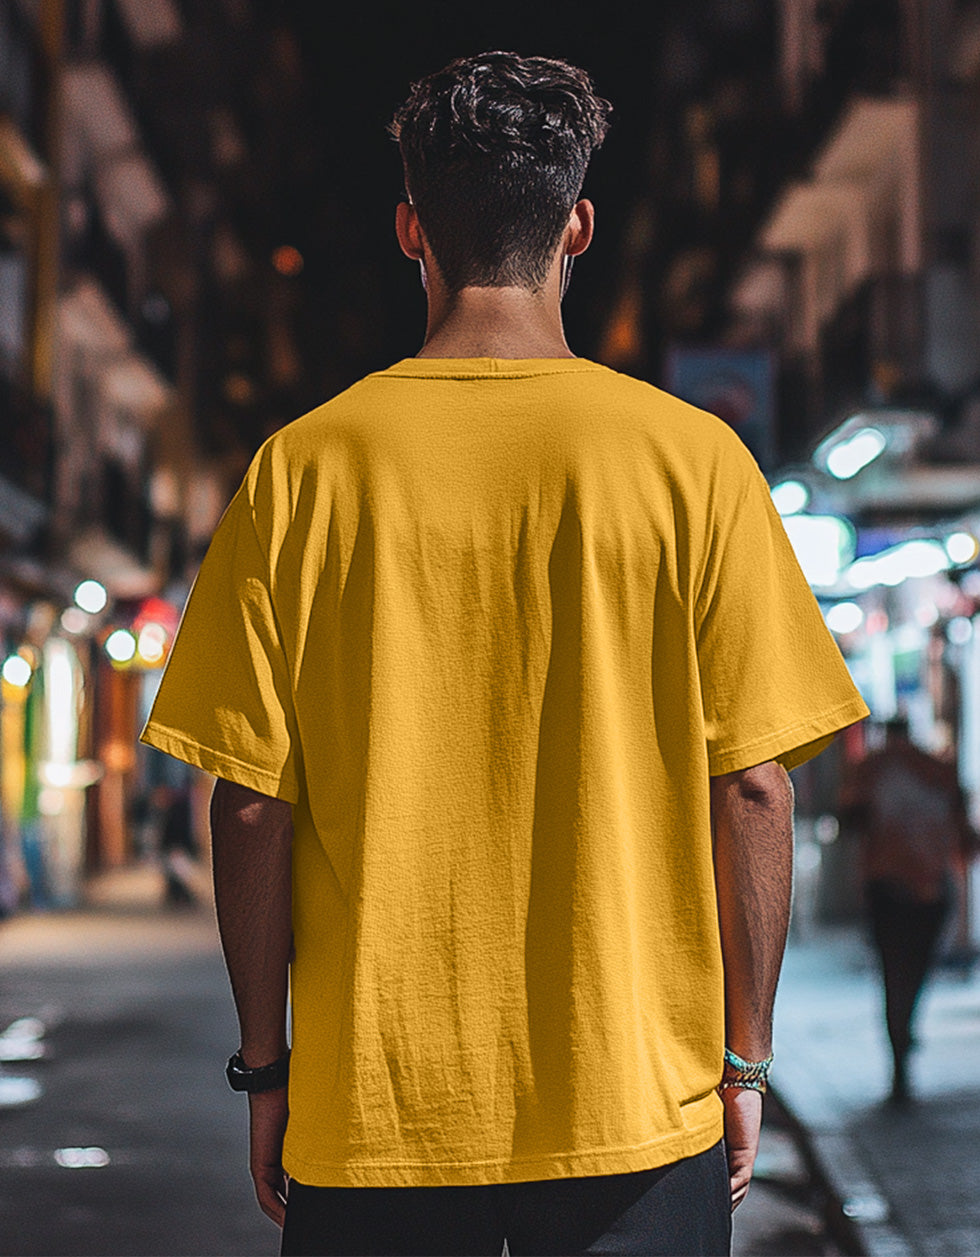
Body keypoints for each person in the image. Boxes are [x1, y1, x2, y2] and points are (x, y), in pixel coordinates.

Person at [141, 51, 869, 1257]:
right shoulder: (691, 465)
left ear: (408, 227)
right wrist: (742, 1062)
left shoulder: (301, 472)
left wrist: (264, 1070)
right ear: (576, 223)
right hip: (634, 1118)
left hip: (377, 1123)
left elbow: (251, 810)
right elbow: (750, 785)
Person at [840, 717, 977, 1103]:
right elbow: (965, 838)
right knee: (913, 973)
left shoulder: (871, 770)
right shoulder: (935, 771)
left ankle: (900, 1042)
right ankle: (903, 1038)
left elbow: (851, 822)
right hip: (929, 889)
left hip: (888, 887)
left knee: (894, 974)